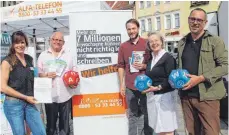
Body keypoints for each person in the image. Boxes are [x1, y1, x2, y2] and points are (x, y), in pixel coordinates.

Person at [177, 8, 228, 135]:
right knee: (192, 132)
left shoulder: (215, 41)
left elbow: (226, 66)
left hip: (208, 97)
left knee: (211, 132)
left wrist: (200, 78)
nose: (195, 22)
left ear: (205, 23)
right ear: (188, 20)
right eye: (192, 19)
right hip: (187, 97)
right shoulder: (182, 42)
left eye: (199, 20)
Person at [1, 31, 46, 135]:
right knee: (20, 133)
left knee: (40, 132)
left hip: (30, 103)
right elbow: (3, 87)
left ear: (26, 43)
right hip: (14, 105)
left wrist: (45, 77)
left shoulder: (29, 59)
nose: (20, 45)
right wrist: (25, 97)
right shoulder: (7, 61)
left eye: (22, 42)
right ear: (12, 44)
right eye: (16, 43)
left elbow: (33, 77)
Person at [37, 31, 77, 135]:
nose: (57, 42)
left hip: (66, 95)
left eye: (60, 40)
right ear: (50, 40)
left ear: (63, 42)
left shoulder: (69, 55)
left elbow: (75, 72)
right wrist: (46, 75)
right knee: (50, 126)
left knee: (65, 126)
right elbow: (39, 74)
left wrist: (74, 82)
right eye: (55, 39)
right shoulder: (43, 55)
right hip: (50, 96)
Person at [117, 19, 153, 135]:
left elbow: (154, 63)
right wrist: (122, 84)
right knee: (132, 115)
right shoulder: (123, 46)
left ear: (138, 28)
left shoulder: (147, 43)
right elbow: (121, 66)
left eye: (133, 28)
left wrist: (144, 66)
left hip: (145, 85)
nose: (131, 31)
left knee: (147, 113)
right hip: (130, 86)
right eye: (129, 29)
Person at [143, 32, 178, 135]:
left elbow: (171, 79)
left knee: (167, 128)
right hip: (153, 97)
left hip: (165, 97)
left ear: (162, 42)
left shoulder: (168, 58)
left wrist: (158, 87)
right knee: (158, 128)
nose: (154, 43)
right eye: (151, 42)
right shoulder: (150, 59)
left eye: (156, 40)